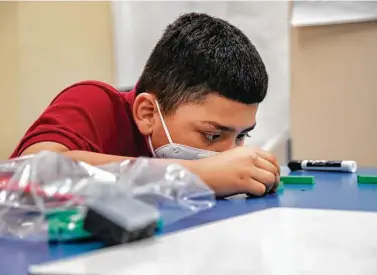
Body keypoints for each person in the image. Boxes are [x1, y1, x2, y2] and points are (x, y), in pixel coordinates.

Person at [10, 12, 280, 197]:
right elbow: (31, 170)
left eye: (242, 135)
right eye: (212, 135)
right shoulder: (94, 102)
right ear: (148, 112)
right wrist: (197, 175)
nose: (228, 154)